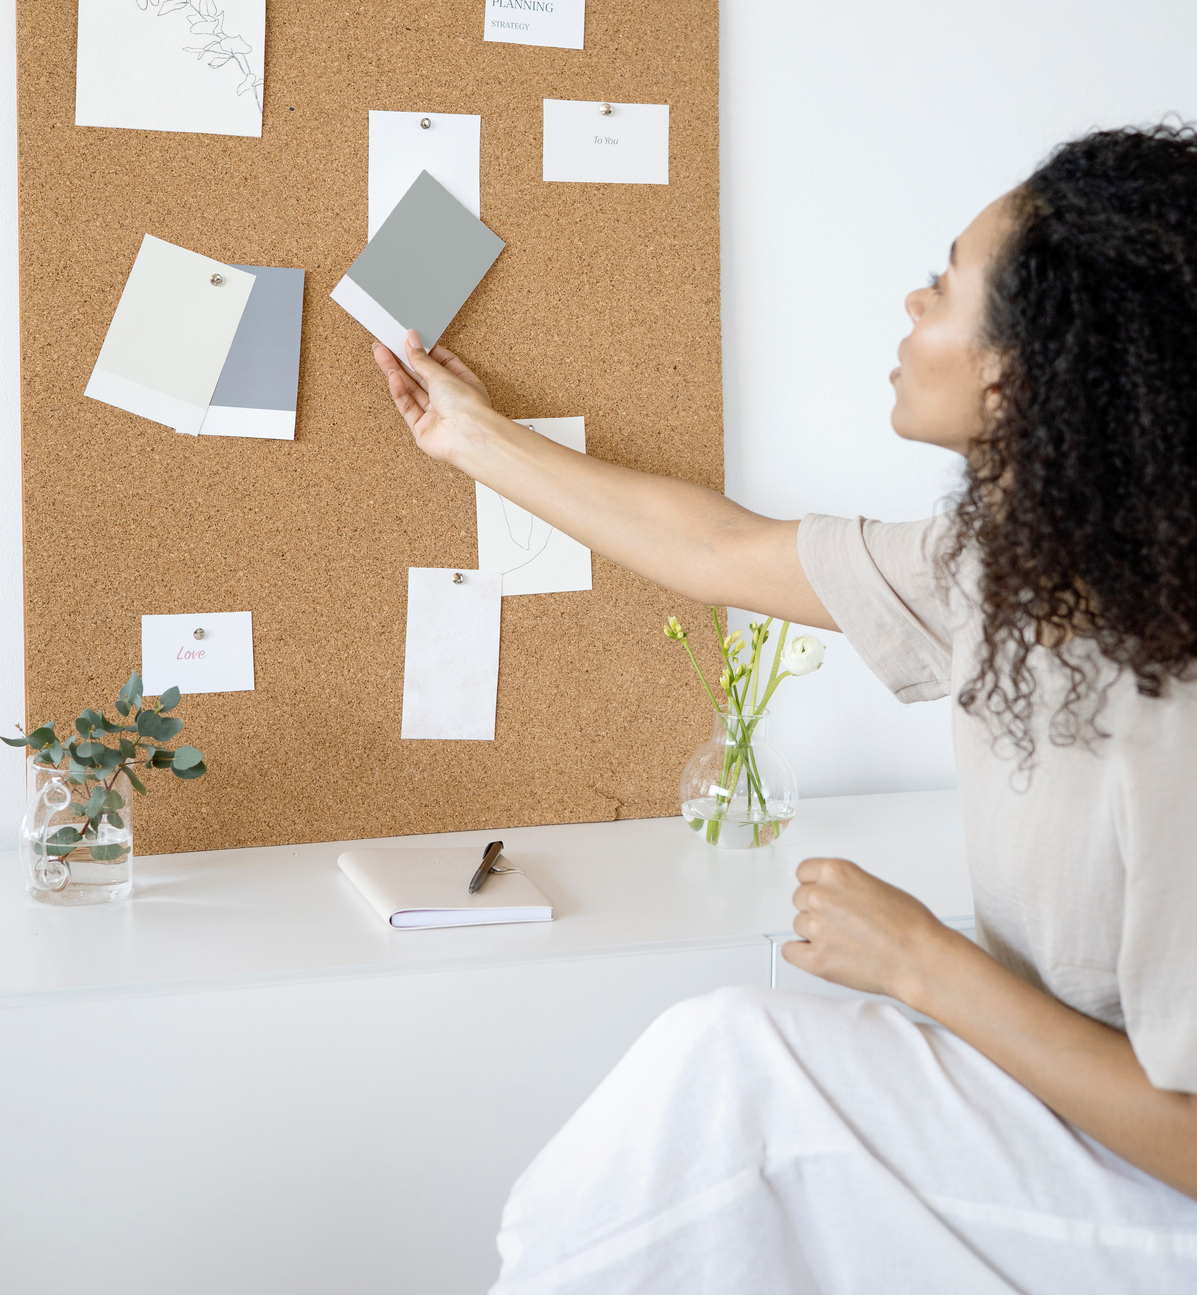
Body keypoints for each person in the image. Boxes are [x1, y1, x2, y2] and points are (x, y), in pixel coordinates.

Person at [373, 125, 1197, 1293]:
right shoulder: (1013, 569)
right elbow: (719, 549)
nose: (913, 299)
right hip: (1051, 1111)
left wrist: (924, 965)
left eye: (948, 282)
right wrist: (472, 439)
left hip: (1154, 1194)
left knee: (733, 1072)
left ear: (1034, 365)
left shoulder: (1178, 696)